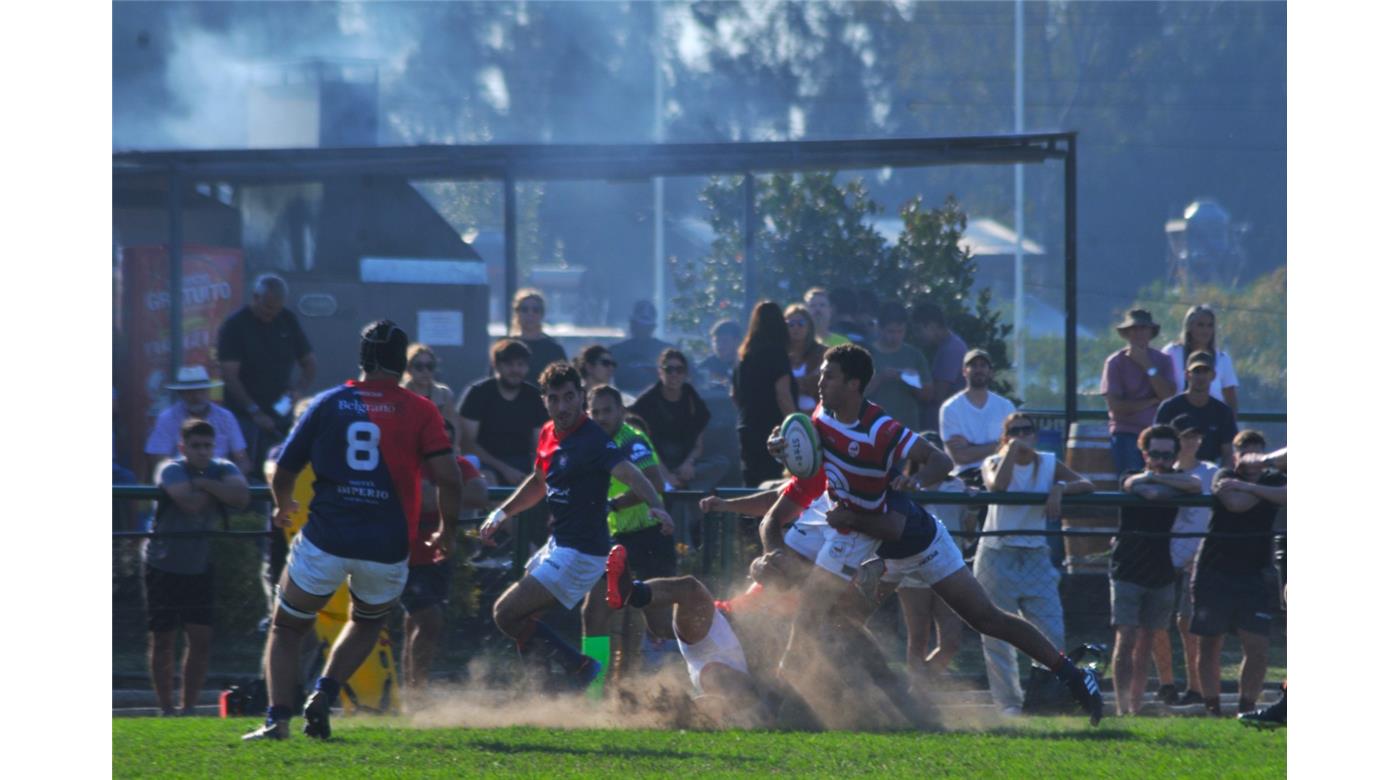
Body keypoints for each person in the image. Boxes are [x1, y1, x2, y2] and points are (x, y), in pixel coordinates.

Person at [244, 320, 462, 741]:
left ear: (361, 358)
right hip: (387, 546)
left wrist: (282, 504)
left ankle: (277, 721)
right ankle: (324, 693)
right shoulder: (421, 410)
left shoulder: (328, 403)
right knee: (366, 622)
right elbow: (450, 479)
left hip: (326, 538)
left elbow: (284, 468)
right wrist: (448, 531)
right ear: (401, 363)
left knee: (287, 626)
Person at [478, 362, 673, 689]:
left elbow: (633, 474)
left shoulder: (592, 439)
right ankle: (545, 695)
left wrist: (656, 506)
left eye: (569, 397)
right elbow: (539, 483)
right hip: (561, 544)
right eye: (554, 399)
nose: (563, 406)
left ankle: (580, 667)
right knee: (526, 619)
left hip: (582, 551)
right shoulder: (547, 433)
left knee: (505, 613)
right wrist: (501, 513)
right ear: (544, 401)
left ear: (581, 396)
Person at [975, 412, 1096, 715]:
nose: (1021, 435)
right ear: (1005, 437)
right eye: (1014, 431)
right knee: (996, 637)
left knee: (1052, 631)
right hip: (997, 553)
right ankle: (1008, 705)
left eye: (1027, 430)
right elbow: (997, 486)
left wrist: (1059, 488)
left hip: (1035, 555)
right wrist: (1011, 451)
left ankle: (1045, 698)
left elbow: (1087, 484)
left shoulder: (1048, 462)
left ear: (1035, 434)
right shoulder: (993, 462)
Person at [148, 419, 250, 716]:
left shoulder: (222, 467)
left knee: (200, 639)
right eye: (196, 446)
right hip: (162, 564)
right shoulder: (170, 468)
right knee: (163, 639)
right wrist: (218, 491)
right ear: (183, 447)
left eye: (207, 446)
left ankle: (189, 707)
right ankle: (167, 708)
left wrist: (204, 483)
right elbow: (188, 503)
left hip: (199, 565)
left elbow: (241, 497)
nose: (203, 452)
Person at [604, 547, 766, 726]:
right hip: (715, 652)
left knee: (689, 588)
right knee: (673, 607)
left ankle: (633, 593)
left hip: (717, 653)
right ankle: (635, 593)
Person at [578, 386, 671, 687]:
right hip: (617, 540)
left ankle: (658, 683)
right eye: (596, 412)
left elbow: (654, 481)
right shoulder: (592, 443)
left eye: (608, 411)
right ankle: (594, 686)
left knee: (654, 622)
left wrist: (613, 504)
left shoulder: (632, 441)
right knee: (594, 612)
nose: (602, 417)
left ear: (621, 411)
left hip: (649, 538)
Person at [1191, 430, 1286, 717]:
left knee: (1257, 646)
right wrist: (1263, 494)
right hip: (1214, 570)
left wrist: (1251, 488)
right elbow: (1235, 504)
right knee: (1210, 643)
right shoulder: (1223, 474)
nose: (1252, 459)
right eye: (1245, 452)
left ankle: (1248, 707)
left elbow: (1287, 495)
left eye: (1258, 453)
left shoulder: (1272, 479)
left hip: (1254, 574)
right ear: (1235, 455)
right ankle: (1213, 708)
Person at [1112, 425, 1202, 716]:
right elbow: (1143, 491)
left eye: (1167, 454)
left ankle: (1135, 707)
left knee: (1148, 640)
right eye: (1154, 454)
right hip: (1127, 566)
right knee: (1125, 638)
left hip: (1161, 569)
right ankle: (1121, 705)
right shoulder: (1129, 474)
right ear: (1144, 453)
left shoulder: (1177, 478)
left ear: (1175, 455)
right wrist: (1157, 481)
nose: (1160, 460)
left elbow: (1195, 485)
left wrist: (1158, 481)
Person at [402, 422, 489, 696]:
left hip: (438, 556)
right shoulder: (409, 465)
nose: (444, 451)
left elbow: (479, 494)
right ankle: (416, 691)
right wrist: (449, 490)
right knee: (430, 619)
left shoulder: (459, 464)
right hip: (405, 555)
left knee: (417, 622)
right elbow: (424, 499)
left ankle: (412, 689)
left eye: (449, 445)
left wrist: (440, 490)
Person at [217, 273, 317, 469]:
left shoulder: (287, 320)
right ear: (255, 297)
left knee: (285, 466)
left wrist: (298, 390)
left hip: (282, 414)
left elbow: (310, 363)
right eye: (268, 308)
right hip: (243, 417)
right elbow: (230, 376)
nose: (272, 314)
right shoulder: (234, 326)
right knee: (246, 470)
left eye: (277, 309)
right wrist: (254, 411)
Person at [630, 349, 729, 545]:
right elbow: (643, 446)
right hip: (656, 465)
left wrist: (689, 464)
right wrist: (665, 475)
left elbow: (698, 442)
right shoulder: (647, 402)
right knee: (684, 503)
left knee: (721, 463)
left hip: (686, 468)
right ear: (660, 372)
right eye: (669, 369)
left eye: (679, 370)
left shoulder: (691, 398)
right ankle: (684, 546)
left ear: (685, 373)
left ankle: (680, 488)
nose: (674, 374)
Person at [1155, 414, 1219, 708]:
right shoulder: (1163, 469)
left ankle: (1196, 687)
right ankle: (1166, 683)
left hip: (1199, 557)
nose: (1191, 441)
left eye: (1196, 436)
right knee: (1157, 623)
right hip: (1163, 555)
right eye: (1185, 436)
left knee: (1188, 623)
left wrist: (1202, 552)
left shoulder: (1210, 472)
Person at [457, 339, 549, 486]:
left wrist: (534, 474)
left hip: (523, 462)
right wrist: (505, 469)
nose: (515, 370)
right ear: (497, 366)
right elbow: (467, 444)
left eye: (520, 365)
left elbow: (539, 444)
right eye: (509, 365)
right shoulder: (478, 394)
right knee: (487, 479)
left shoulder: (534, 397)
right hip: (485, 462)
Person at [1101, 309, 1177, 475]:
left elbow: (1167, 397)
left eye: (1143, 328)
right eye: (1134, 328)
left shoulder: (1163, 360)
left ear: (1151, 332)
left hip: (1159, 436)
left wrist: (1146, 365)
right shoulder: (1115, 362)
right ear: (1126, 333)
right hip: (1126, 434)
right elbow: (1116, 407)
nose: (1138, 333)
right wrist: (1151, 401)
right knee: (1132, 484)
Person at [732, 300, 798, 485]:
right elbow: (783, 394)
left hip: (747, 426)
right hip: (773, 429)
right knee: (775, 482)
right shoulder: (777, 354)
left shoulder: (743, 357)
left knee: (752, 482)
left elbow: (734, 395)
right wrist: (797, 425)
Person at [144, 365, 251, 476]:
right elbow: (159, 459)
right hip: (180, 480)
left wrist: (232, 481)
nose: (196, 396)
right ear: (181, 394)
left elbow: (242, 459)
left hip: (220, 480)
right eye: (190, 392)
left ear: (208, 391)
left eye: (201, 391)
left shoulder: (226, 417)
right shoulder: (167, 418)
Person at [939, 349, 1017, 487]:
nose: (978, 369)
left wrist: (971, 447)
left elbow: (1016, 448)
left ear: (991, 372)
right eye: (973, 365)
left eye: (983, 365)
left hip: (1001, 475)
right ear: (964, 371)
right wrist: (1001, 444)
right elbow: (960, 457)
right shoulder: (950, 408)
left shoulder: (1006, 406)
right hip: (964, 479)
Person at [1154, 351, 1237, 464]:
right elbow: (1157, 445)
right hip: (1173, 470)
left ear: (1213, 375)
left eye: (1205, 371)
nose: (1201, 377)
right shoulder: (1169, 407)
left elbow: (1227, 452)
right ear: (1187, 375)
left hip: (1210, 471)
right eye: (1196, 371)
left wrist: (1223, 476)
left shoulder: (1223, 412)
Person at [864, 301, 934, 431]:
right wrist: (881, 378)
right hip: (874, 428)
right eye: (890, 331)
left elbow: (928, 396)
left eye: (900, 331)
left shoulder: (915, 355)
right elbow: (856, 393)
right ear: (879, 328)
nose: (895, 336)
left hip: (907, 430)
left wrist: (911, 380)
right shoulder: (866, 354)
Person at [1164, 304, 1240, 412]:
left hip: (1212, 419)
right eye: (1200, 325)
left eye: (1210, 325)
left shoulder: (1222, 359)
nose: (1205, 330)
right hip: (1178, 416)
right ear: (1189, 326)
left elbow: (1231, 400)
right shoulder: (1173, 352)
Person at [910, 302, 968, 433]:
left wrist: (910, 380)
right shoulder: (947, 346)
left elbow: (937, 394)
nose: (917, 335)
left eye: (919, 330)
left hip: (945, 428)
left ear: (933, 326)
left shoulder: (950, 350)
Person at [402, 343, 467, 453]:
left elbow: (453, 427)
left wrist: (453, 452)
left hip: (438, 451)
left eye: (430, 366)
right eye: (419, 366)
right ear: (409, 369)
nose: (425, 371)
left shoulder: (444, 394)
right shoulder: (401, 394)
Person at [610, 300, 674, 395]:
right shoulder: (615, 351)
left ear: (653, 327)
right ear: (632, 325)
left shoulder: (667, 351)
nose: (642, 329)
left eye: (646, 326)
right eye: (639, 325)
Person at [510, 288, 568, 382]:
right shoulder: (507, 347)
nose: (530, 314)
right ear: (517, 313)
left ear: (542, 314)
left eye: (535, 310)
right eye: (524, 309)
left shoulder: (553, 349)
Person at [784, 304, 825, 413]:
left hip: (817, 417)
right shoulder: (780, 356)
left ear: (809, 326)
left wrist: (792, 385)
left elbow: (823, 384)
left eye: (800, 323)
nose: (795, 328)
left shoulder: (823, 353)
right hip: (786, 418)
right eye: (790, 324)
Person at [696, 319, 743, 392]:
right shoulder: (705, 366)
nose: (719, 345)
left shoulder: (746, 366)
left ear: (737, 341)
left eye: (725, 341)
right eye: (716, 341)